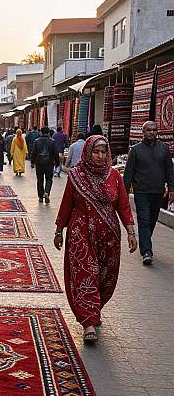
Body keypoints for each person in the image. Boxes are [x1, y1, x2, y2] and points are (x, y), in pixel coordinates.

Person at [54, 136, 136, 343]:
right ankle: (88, 321)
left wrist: (131, 232)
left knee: (105, 277)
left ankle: (94, 309)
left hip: (109, 236)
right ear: (88, 152)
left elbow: (123, 206)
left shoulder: (115, 176)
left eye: (103, 152)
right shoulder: (76, 175)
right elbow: (66, 205)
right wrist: (58, 230)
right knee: (85, 274)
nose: (100, 156)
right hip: (81, 233)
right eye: (95, 152)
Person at [123, 121, 174, 265]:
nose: (152, 132)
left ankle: (145, 241)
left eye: (154, 130)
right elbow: (128, 173)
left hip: (158, 192)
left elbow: (169, 170)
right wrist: (124, 193)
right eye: (148, 130)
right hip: (141, 192)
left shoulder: (163, 149)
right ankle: (146, 251)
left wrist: (171, 188)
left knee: (151, 220)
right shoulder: (136, 150)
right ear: (143, 132)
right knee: (144, 220)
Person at [31, 127, 60, 203]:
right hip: (49, 163)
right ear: (48, 133)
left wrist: (32, 162)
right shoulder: (52, 141)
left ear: (41, 133)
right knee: (49, 179)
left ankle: (40, 197)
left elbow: (33, 152)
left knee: (40, 180)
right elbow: (56, 153)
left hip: (39, 163)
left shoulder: (37, 141)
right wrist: (57, 163)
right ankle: (47, 192)